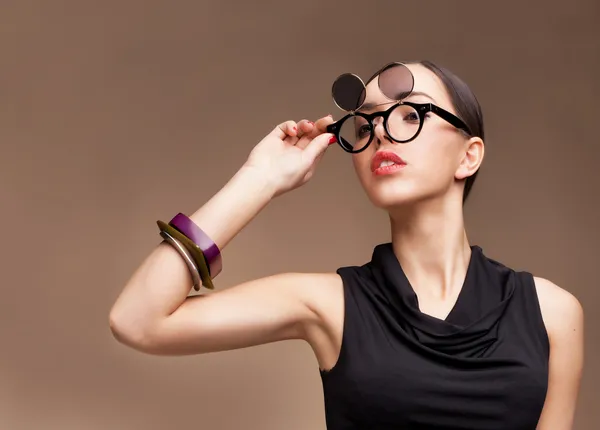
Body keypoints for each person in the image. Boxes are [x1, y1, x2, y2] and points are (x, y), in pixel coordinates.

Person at [109, 61, 584, 429]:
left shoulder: (553, 313)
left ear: (469, 155)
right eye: (363, 125)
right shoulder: (329, 305)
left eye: (409, 114)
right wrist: (259, 181)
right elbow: (137, 321)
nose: (378, 131)